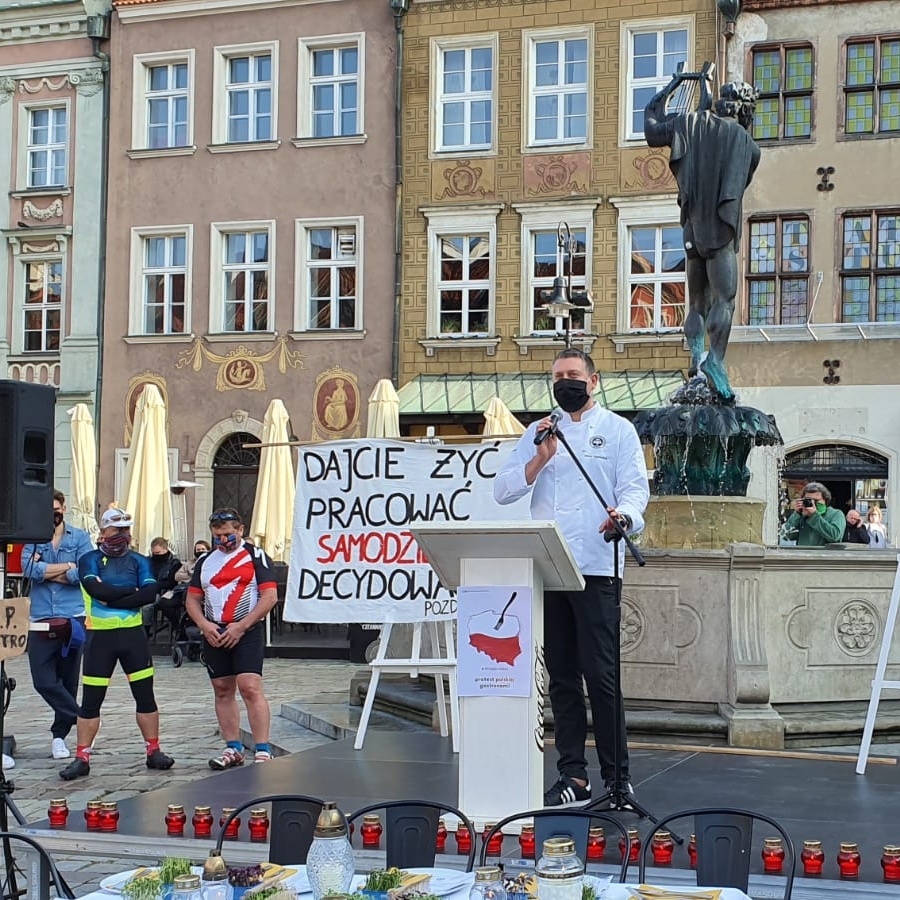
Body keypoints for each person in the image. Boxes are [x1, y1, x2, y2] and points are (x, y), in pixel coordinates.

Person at [494, 348, 650, 807]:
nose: (565, 382)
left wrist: (624, 516)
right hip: (549, 569)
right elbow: (503, 491)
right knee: (560, 677)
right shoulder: (539, 432)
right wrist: (539, 459)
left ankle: (618, 778)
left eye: (573, 375)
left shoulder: (619, 431)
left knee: (601, 676)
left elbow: (635, 489)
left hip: (597, 568)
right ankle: (572, 776)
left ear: (593, 381)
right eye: (558, 376)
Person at [644, 76, 761, 401]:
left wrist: (673, 86)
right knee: (724, 300)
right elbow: (741, 181)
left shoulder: (688, 123)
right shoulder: (747, 144)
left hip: (691, 232)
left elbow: (651, 126)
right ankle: (715, 361)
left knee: (696, 303)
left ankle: (695, 360)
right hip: (720, 233)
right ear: (745, 111)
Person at [59, 507, 175, 780]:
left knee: (145, 696)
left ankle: (153, 750)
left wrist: (112, 597)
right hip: (100, 638)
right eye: (116, 530)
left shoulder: (140, 560)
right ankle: (82, 757)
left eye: (126, 530)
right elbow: (95, 589)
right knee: (90, 702)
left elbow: (149, 594)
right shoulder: (89, 559)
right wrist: (129, 592)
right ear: (103, 532)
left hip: (133, 637)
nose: (122, 535)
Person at [185, 509, 278, 769]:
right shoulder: (206, 561)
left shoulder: (255, 555)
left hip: (247, 628)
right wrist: (204, 625)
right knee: (222, 689)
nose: (222, 540)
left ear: (240, 530)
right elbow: (192, 598)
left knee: (250, 686)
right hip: (215, 630)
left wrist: (242, 625)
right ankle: (233, 747)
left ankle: (262, 748)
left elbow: (269, 596)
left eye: (227, 534)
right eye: (217, 535)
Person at [23, 490, 93, 761]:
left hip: (71, 617)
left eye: (56, 508)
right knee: (43, 680)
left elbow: (83, 573)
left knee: (67, 678)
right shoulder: (34, 538)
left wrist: (49, 571)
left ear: (64, 508)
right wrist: (65, 566)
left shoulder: (80, 537)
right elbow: (29, 569)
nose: (53, 513)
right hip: (40, 617)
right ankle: (80, 716)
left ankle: (59, 737)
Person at [781, 482, 845, 547]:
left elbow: (835, 537)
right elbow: (786, 536)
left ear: (825, 500)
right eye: (809, 500)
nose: (812, 503)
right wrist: (797, 514)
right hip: (804, 555)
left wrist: (814, 515)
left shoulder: (836, 514)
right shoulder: (801, 516)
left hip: (825, 556)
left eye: (816, 501)